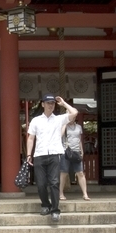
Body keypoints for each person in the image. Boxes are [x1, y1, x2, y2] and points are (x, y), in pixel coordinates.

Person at [26, 94, 78, 222]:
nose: (50, 105)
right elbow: (31, 138)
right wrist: (29, 154)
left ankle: (55, 210)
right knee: (41, 184)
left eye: (52, 103)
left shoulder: (59, 119)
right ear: (43, 104)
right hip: (39, 154)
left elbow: (74, 113)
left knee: (54, 183)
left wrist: (63, 103)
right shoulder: (36, 120)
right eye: (48, 103)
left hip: (54, 154)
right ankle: (45, 205)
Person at [59, 113, 90, 202]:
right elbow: (60, 135)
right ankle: (60, 193)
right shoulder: (63, 126)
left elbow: (79, 140)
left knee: (80, 173)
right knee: (64, 173)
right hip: (66, 151)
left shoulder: (79, 127)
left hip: (76, 151)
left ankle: (85, 194)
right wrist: (65, 124)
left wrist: (81, 150)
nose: (71, 118)